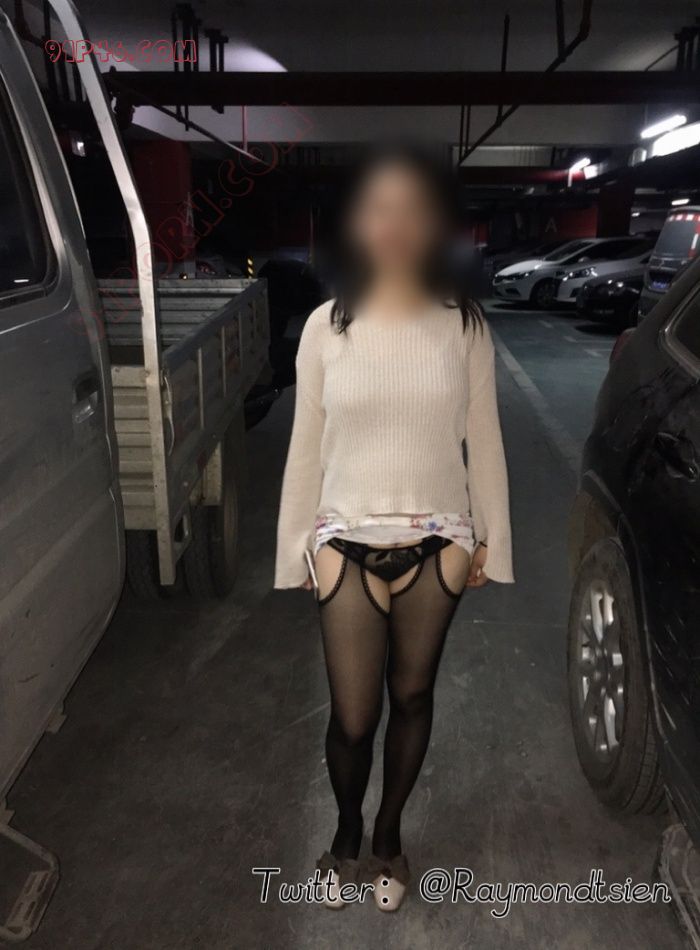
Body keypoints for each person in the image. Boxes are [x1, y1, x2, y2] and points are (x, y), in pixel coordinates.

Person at [274, 145, 513, 912]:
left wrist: (490, 539)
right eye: (380, 208)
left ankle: (387, 839)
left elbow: (485, 436)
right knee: (353, 718)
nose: (396, 224)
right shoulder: (325, 327)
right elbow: (306, 443)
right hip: (344, 543)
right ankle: (345, 833)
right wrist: (294, 549)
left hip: (438, 545)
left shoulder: (463, 324)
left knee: (412, 698)